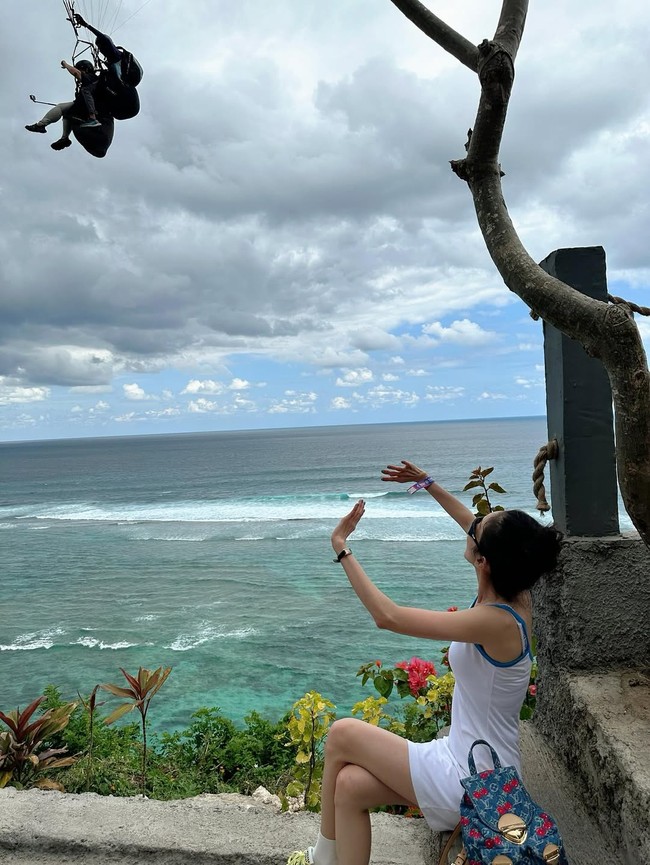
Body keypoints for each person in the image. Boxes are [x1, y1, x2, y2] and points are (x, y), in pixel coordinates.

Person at [288, 460, 562, 865]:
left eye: (480, 528)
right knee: (348, 786)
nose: (473, 524)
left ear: (482, 560)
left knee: (343, 734)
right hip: (472, 758)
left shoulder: (495, 621)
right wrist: (427, 483)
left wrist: (341, 546)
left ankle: (319, 859)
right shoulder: (511, 589)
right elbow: (471, 523)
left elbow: (389, 617)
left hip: (473, 780)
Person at [25, 59, 101, 151]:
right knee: (66, 112)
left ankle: (41, 125)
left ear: (85, 69)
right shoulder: (92, 81)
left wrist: (66, 65)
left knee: (61, 107)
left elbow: (77, 73)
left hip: (89, 109)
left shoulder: (90, 78)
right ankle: (64, 138)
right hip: (83, 106)